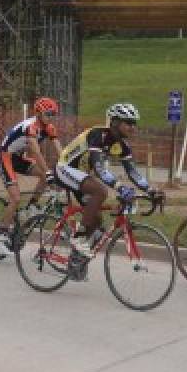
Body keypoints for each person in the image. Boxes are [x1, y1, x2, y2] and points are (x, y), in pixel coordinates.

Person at [53, 103, 151, 271]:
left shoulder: (122, 146)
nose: (132, 127)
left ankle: (75, 260)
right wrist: (120, 187)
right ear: (114, 122)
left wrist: (151, 190)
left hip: (82, 177)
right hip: (65, 169)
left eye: (134, 123)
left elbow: (133, 173)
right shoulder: (97, 135)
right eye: (128, 122)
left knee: (97, 220)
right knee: (101, 191)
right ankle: (78, 238)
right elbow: (100, 169)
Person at [0, 96, 62, 255]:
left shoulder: (49, 127)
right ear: (38, 113)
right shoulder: (30, 126)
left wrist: (67, 165)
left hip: (18, 157)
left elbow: (59, 149)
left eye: (53, 114)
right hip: (5, 157)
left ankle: (31, 206)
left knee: (44, 176)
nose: (51, 118)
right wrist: (49, 172)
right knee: (16, 198)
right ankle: (1, 232)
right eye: (48, 114)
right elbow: (36, 151)